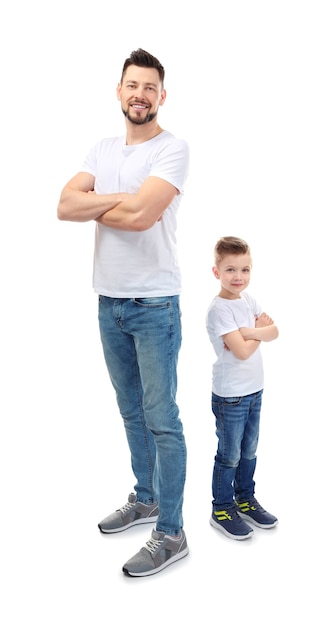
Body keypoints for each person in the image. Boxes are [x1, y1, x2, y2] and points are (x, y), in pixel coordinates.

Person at [57, 48, 189, 576]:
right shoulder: (102, 147)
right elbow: (64, 206)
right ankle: (146, 496)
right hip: (109, 301)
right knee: (131, 411)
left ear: (162, 95)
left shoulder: (173, 149)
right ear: (119, 91)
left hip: (155, 304)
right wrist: (123, 199)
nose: (140, 95)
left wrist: (104, 202)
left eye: (149, 87)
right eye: (131, 85)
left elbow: (140, 218)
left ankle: (172, 531)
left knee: (162, 419)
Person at [206, 236, 279, 541]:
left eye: (245, 270)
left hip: (255, 390)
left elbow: (274, 331)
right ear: (216, 272)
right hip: (231, 396)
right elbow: (242, 352)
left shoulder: (248, 301)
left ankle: (245, 499)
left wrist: (247, 331)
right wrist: (255, 331)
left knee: (249, 451)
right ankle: (222, 508)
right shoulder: (218, 310)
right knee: (230, 455)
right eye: (231, 270)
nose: (239, 277)